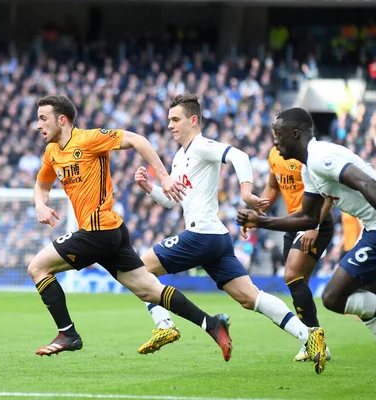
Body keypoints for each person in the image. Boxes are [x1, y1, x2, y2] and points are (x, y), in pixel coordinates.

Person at [133, 94, 328, 374]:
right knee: (251, 297)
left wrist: (246, 191)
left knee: (138, 270)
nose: (170, 126)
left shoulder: (201, 146)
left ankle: (164, 325)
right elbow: (172, 200)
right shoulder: (179, 157)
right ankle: (310, 336)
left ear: (193, 120)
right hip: (215, 239)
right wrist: (148, 186)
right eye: (168, 121)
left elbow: (239, 155)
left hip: (201, 235)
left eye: (175, 120)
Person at [29, 95, 232, 359]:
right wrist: (40, 205)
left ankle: (68, 333)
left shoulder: (89, 139)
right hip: (111, 234)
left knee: (37, 267)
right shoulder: (52, 153)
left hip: (97, 230)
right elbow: (41, 185)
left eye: (43, 118)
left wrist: (163, 176)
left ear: (62, 120)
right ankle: (212, 324)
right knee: (149, 290)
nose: (38, 125)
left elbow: (138, 140)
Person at [237, 107, 376, 352]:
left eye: (278, 134)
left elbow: (367, 183)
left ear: (295, 134)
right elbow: (307, 218)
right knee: (366, 291)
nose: (274, 140)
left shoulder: (321, 156)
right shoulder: (308, 168)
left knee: (333, 297)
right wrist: (260, 222)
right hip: (372, 228)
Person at [244, 146, 334, 362]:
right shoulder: (275, 154)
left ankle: (315, 341)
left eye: (279, 130)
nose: (276, 135)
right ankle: (313, 342)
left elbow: (328, 193)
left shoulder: (307, 156)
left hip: (314, 221)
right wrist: (256, 215)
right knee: (298, 282)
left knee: (291, 275)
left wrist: (314, 226)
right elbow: (272, 186)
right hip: (291, 222)